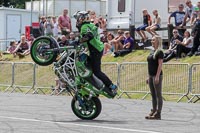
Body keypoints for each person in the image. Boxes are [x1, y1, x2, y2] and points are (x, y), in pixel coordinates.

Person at [73, 11, 118, 95]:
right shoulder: (90, 25)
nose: (77, 22)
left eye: (77, 19)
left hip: (96, 50)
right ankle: (95, 85)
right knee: (87, 65)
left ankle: (111, 85)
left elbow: (89, 36)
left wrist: (79, 41)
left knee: (97, 71)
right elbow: (95, 28)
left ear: (82, 19)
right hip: (96, 49)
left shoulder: (84, 26)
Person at [145, 35, 164, 120]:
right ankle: (154, 110)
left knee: (158, 94)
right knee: (153, 94)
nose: (152, 41)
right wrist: (148, 76)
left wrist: (157, 76)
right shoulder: (152, 51)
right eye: (151, 40)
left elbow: (160, 65)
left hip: (157, 76)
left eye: (153, 40)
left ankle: (158, 113)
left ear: (158, 41)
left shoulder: (160, 52)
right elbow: (150, 65)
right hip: (151, 75)